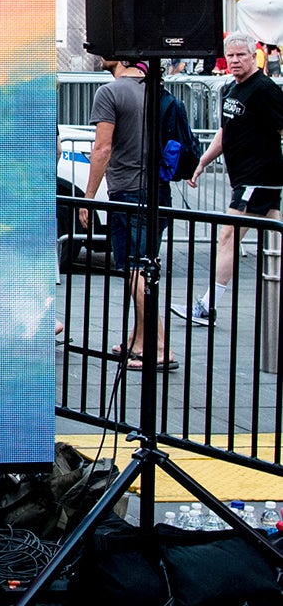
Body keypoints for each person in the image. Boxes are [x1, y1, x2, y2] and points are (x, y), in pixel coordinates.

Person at [176, 30, 283, 325]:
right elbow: (225, 133)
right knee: (276, 237)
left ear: (254, 56)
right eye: (231, 55)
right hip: (245, 178)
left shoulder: (265, 89)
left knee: (228, 236)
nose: (235, 60)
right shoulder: (231, 89)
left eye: (241, 55)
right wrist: (201, 163)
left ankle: (207, 306)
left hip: (258, 177)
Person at [80, 59, 174, 368]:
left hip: (128, 193)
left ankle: (159, 346)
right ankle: (140, 338)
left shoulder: (110, 92)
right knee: (145, 267)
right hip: (159, 192)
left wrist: (89, 196)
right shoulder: (155, 89)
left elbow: (102, 148)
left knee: (135, 270)